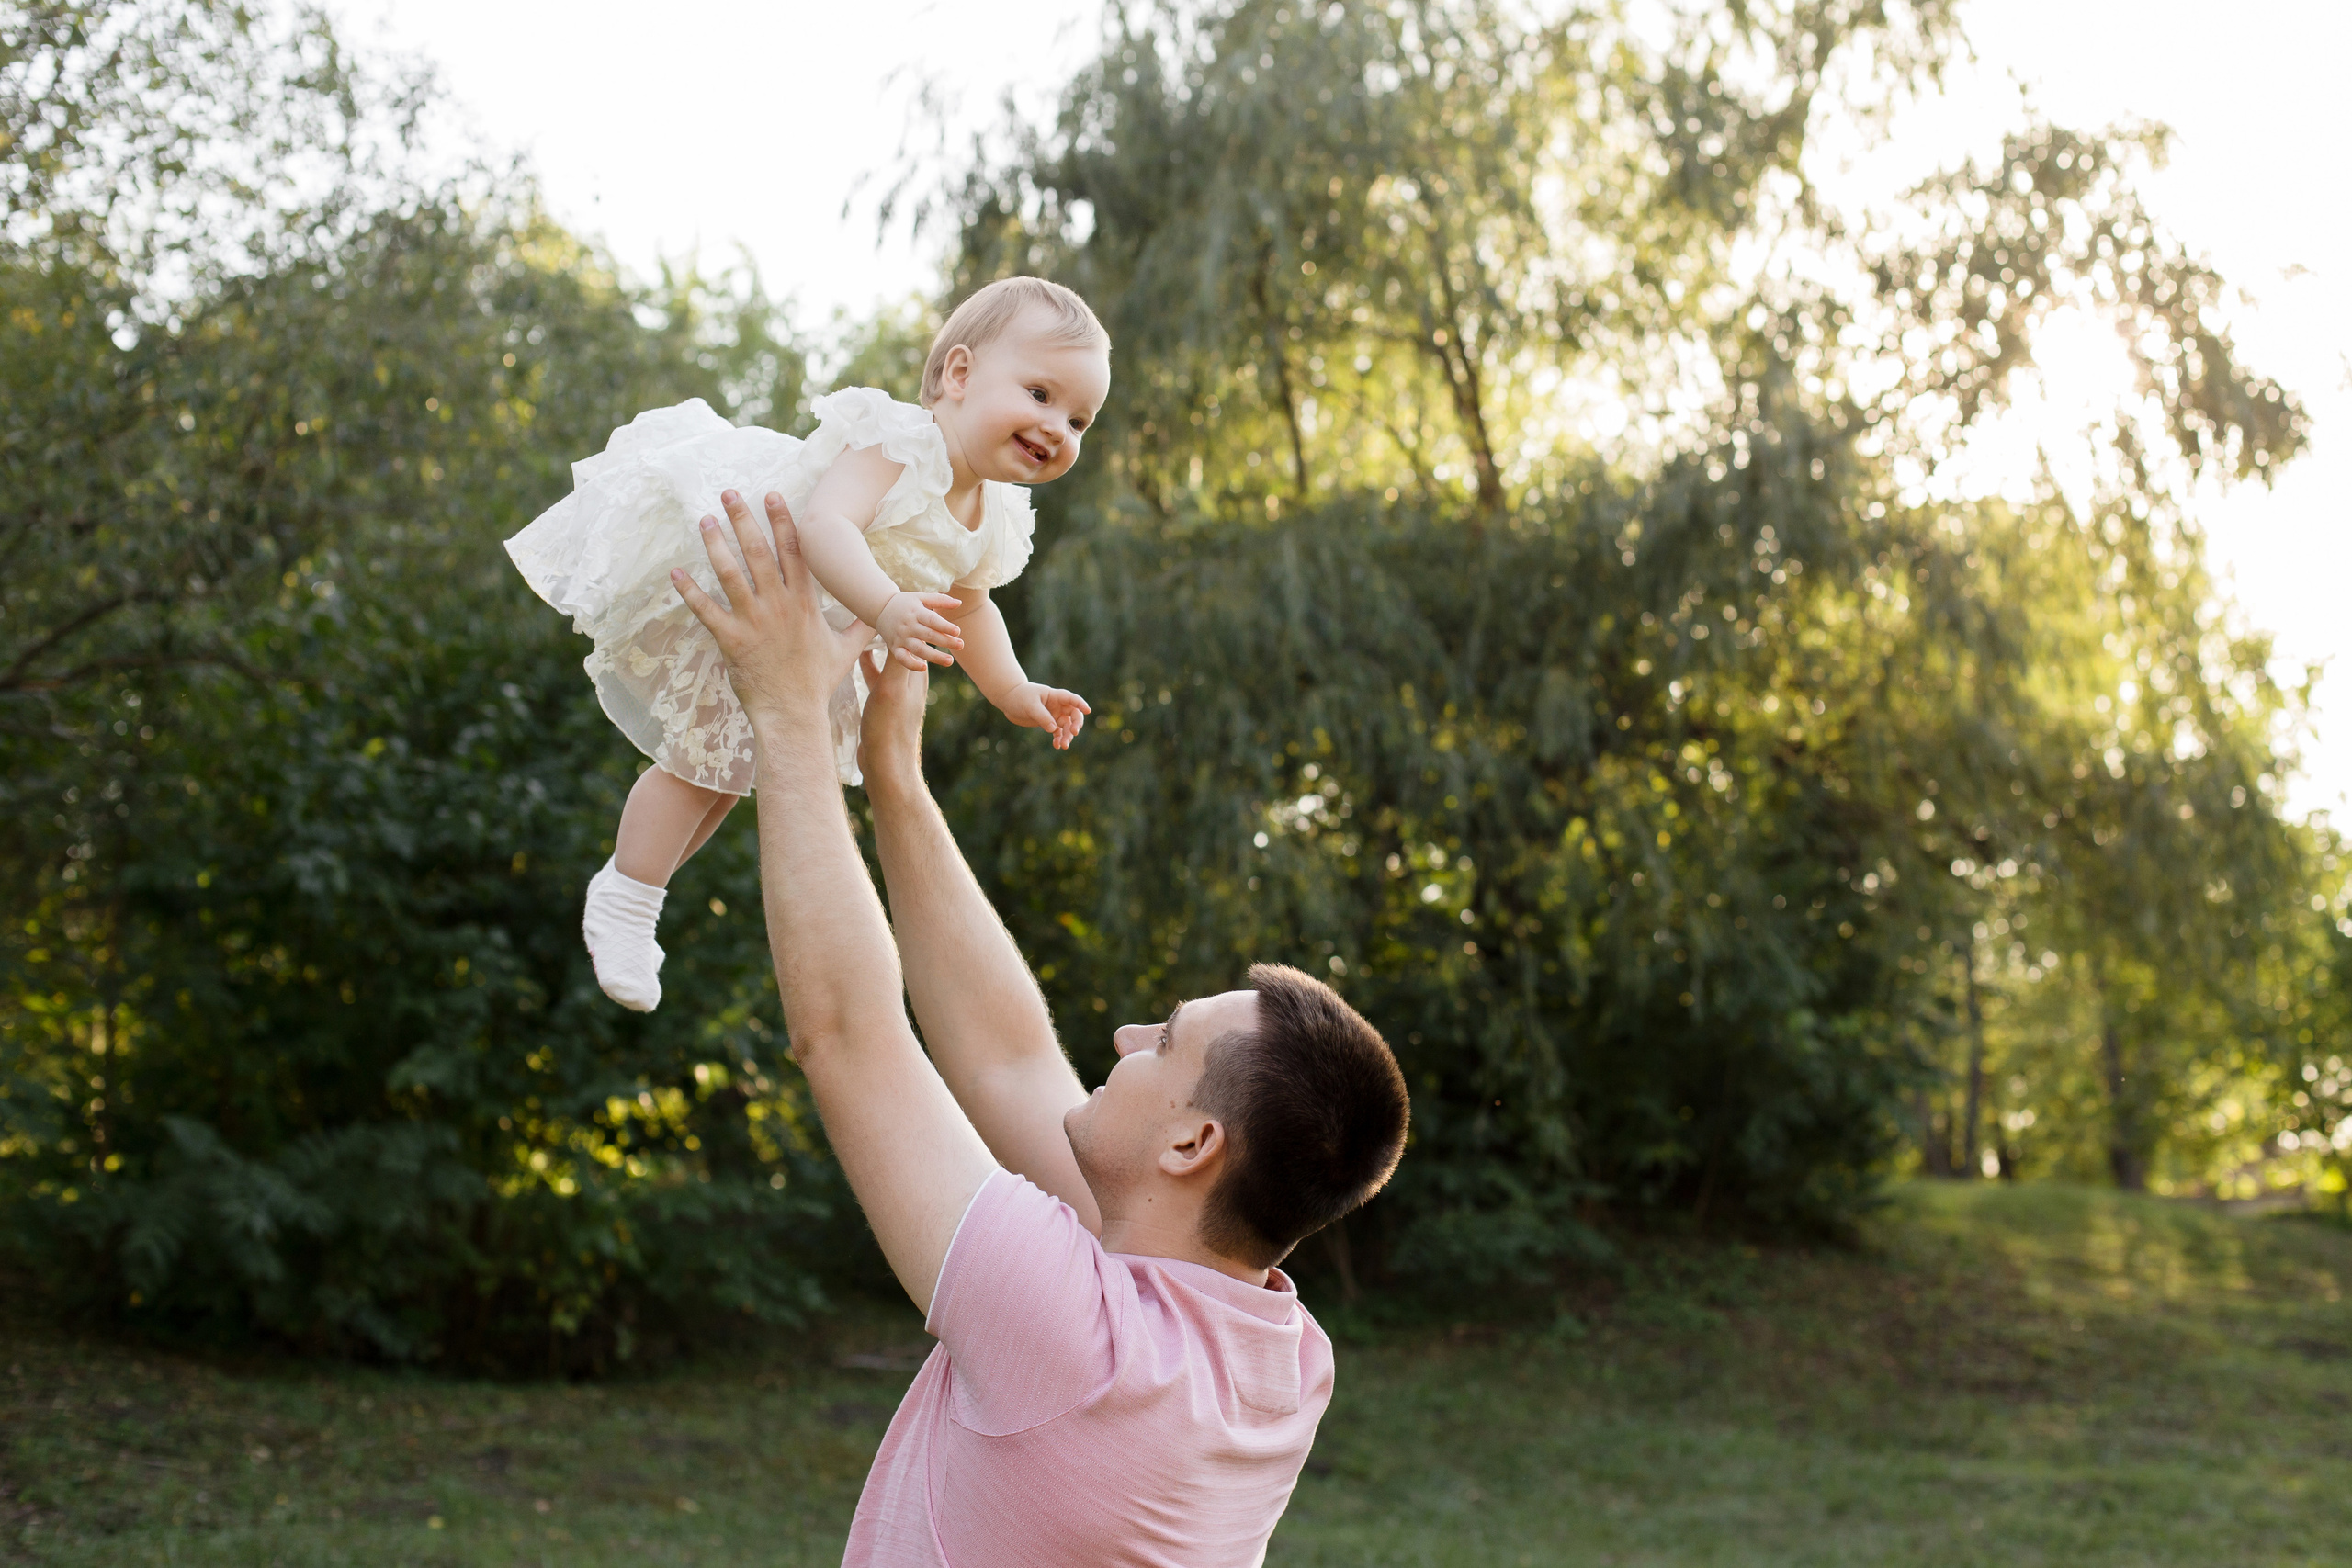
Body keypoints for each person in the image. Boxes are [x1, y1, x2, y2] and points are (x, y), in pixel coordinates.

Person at [668, 489, 1411, 1567]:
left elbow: (845, 1037)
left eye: (1162, 1044)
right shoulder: (1276, 1354)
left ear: (1193, 1144)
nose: (1115, 1037)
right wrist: (896, 785)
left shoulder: (1074, 1344)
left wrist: (785, 705)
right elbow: (1009, 1058)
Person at [505, 277, 1107, 1011]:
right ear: (959, 374)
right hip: (759, 588)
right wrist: (886, 606)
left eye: (1080, 420)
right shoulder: (902, 443)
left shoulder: (997, 511)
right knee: (701, 762)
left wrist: (1014, 690)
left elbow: (973, 607)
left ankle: (639, 890)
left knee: (730, 770)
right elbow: (827, 525)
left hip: (813, 638)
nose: (1059, 429)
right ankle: (629, 895)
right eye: (1041, 395)